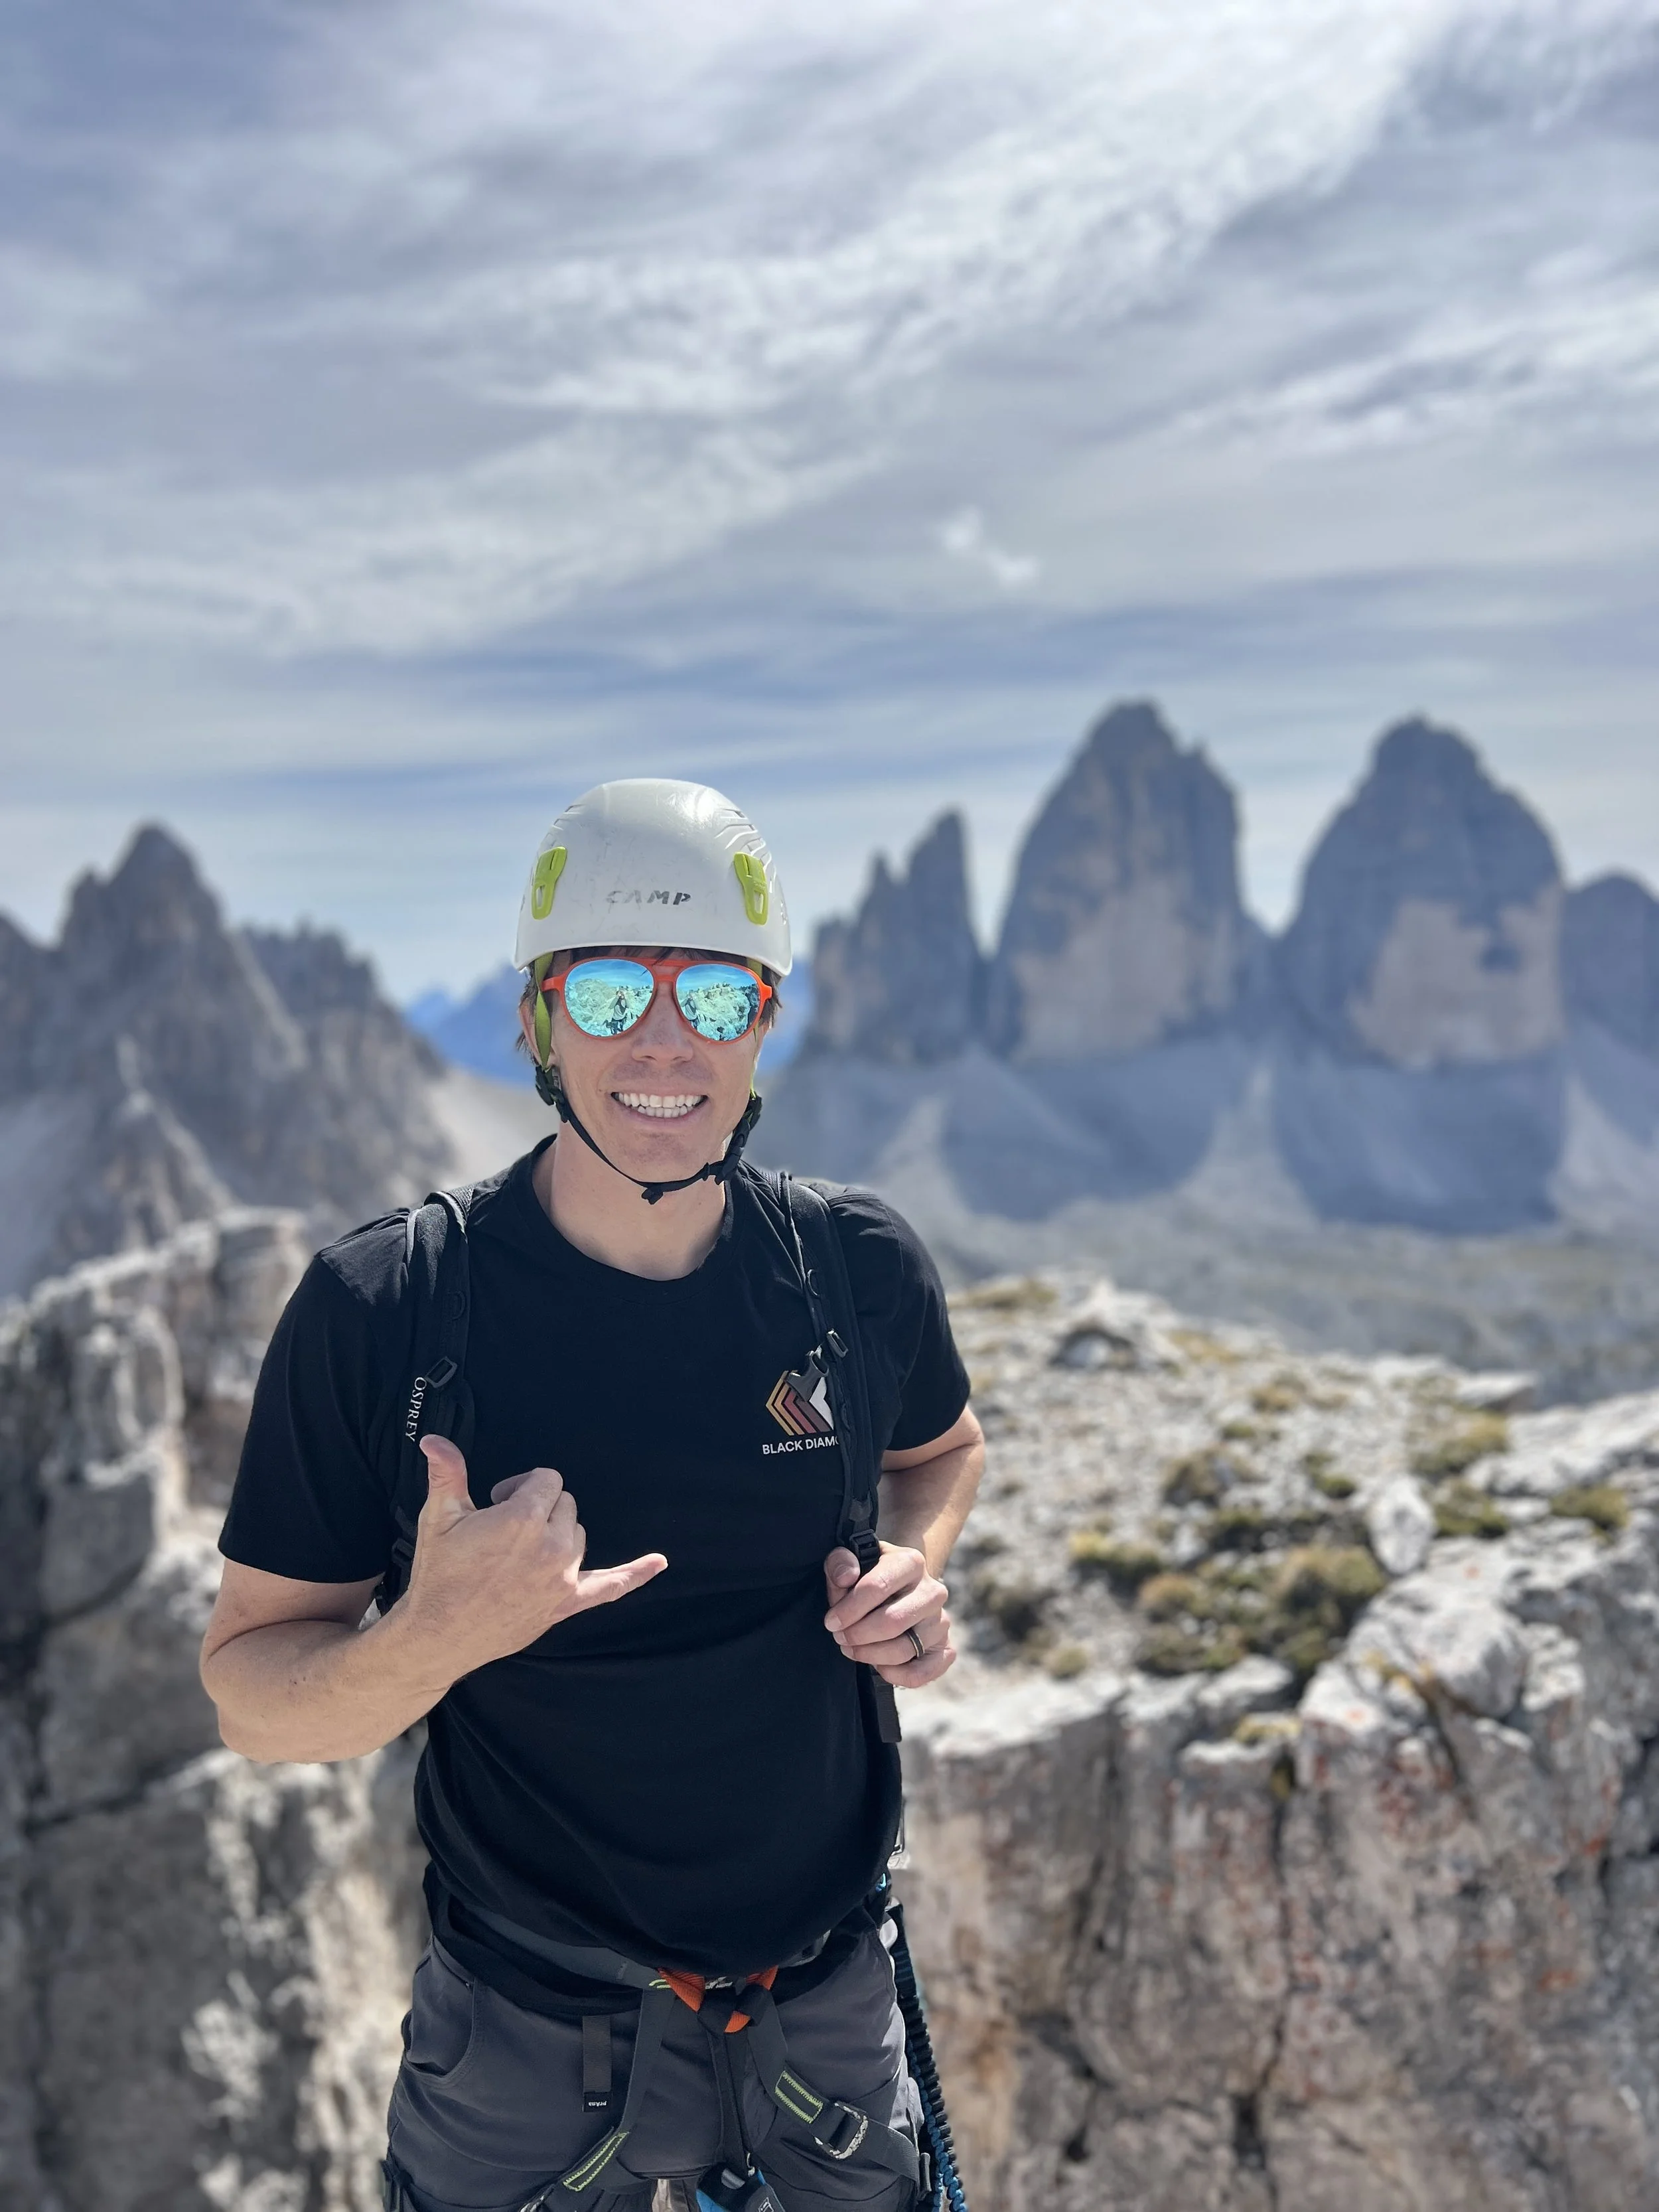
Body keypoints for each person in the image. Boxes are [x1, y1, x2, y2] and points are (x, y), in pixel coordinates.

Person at [199, 778, 985, 2212]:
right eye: (613, 992)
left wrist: (915, 1566)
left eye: (717, 997)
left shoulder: (852, 1266)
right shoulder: (387, 1307)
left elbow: (941, 1449)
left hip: (825, 2003)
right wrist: (440, 1633)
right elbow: (250, 1691)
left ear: (768, 1020)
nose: (665, 1043)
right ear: (537, 1022)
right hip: (524, 2037)